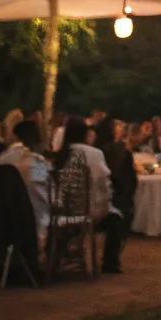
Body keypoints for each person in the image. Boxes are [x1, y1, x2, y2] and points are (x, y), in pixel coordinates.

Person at [56, 116, 122, 274]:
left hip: (60, 214)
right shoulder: (94, 153)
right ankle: (110, 263)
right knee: (117, 218)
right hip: (86, 213)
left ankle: (61, 254)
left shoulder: (61, 155)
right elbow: (104, 184)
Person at [0, 119, 51, 236]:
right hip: (35, 219)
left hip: (5, 217)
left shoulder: (3, 158)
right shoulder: (37, 163)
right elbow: (40, 192)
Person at [96, 116, 138, 271]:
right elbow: (128, 180)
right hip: (110, 200)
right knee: (122, 213)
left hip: (103, 197)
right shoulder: (117, 151)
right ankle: (111, 259)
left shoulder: (102, 149)